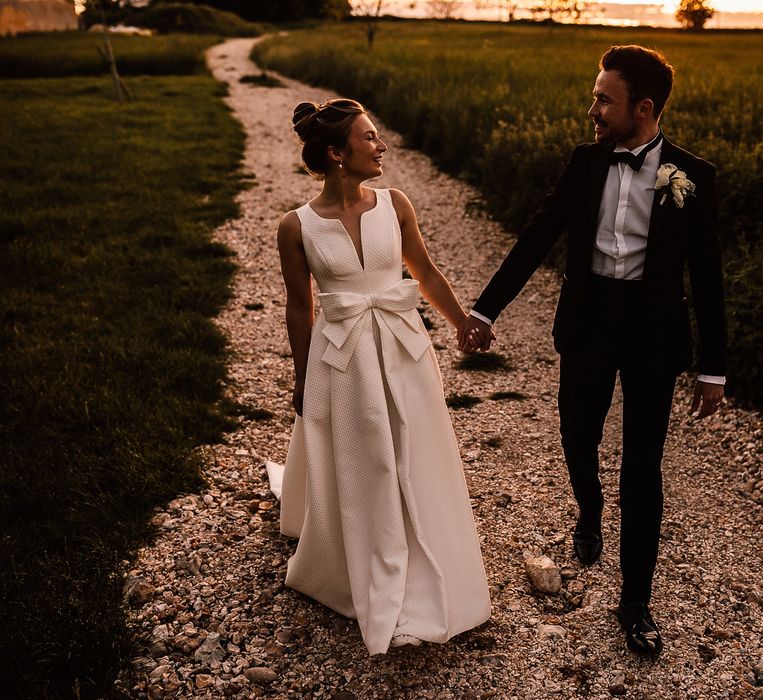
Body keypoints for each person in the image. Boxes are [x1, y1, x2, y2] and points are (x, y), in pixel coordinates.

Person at [458, 45, 726, 655]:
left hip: (654, 333)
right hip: (587, 322)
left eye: (605, 99)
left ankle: (636, 603)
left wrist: (713, 368)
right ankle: (589, 510)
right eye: (595, 96)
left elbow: (706, 275)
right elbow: (537, 236)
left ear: (645, 107)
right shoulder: (584, 163)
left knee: (643, 466)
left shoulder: (691, 176)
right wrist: (483, 308)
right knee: (578, 435)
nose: (593, 109)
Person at [268, 98, 491, 656]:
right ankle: (365, 559)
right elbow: (301, 308)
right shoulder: (295, 227)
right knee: (367, 457)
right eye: (370, 138)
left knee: (414, 449)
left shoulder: (397, 204)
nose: (381, 145)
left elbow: (425, 269)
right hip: (342, 358)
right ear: (338, 154)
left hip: (403, 347)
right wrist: (302, 377)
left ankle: (429, 549)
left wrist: (462, 321)